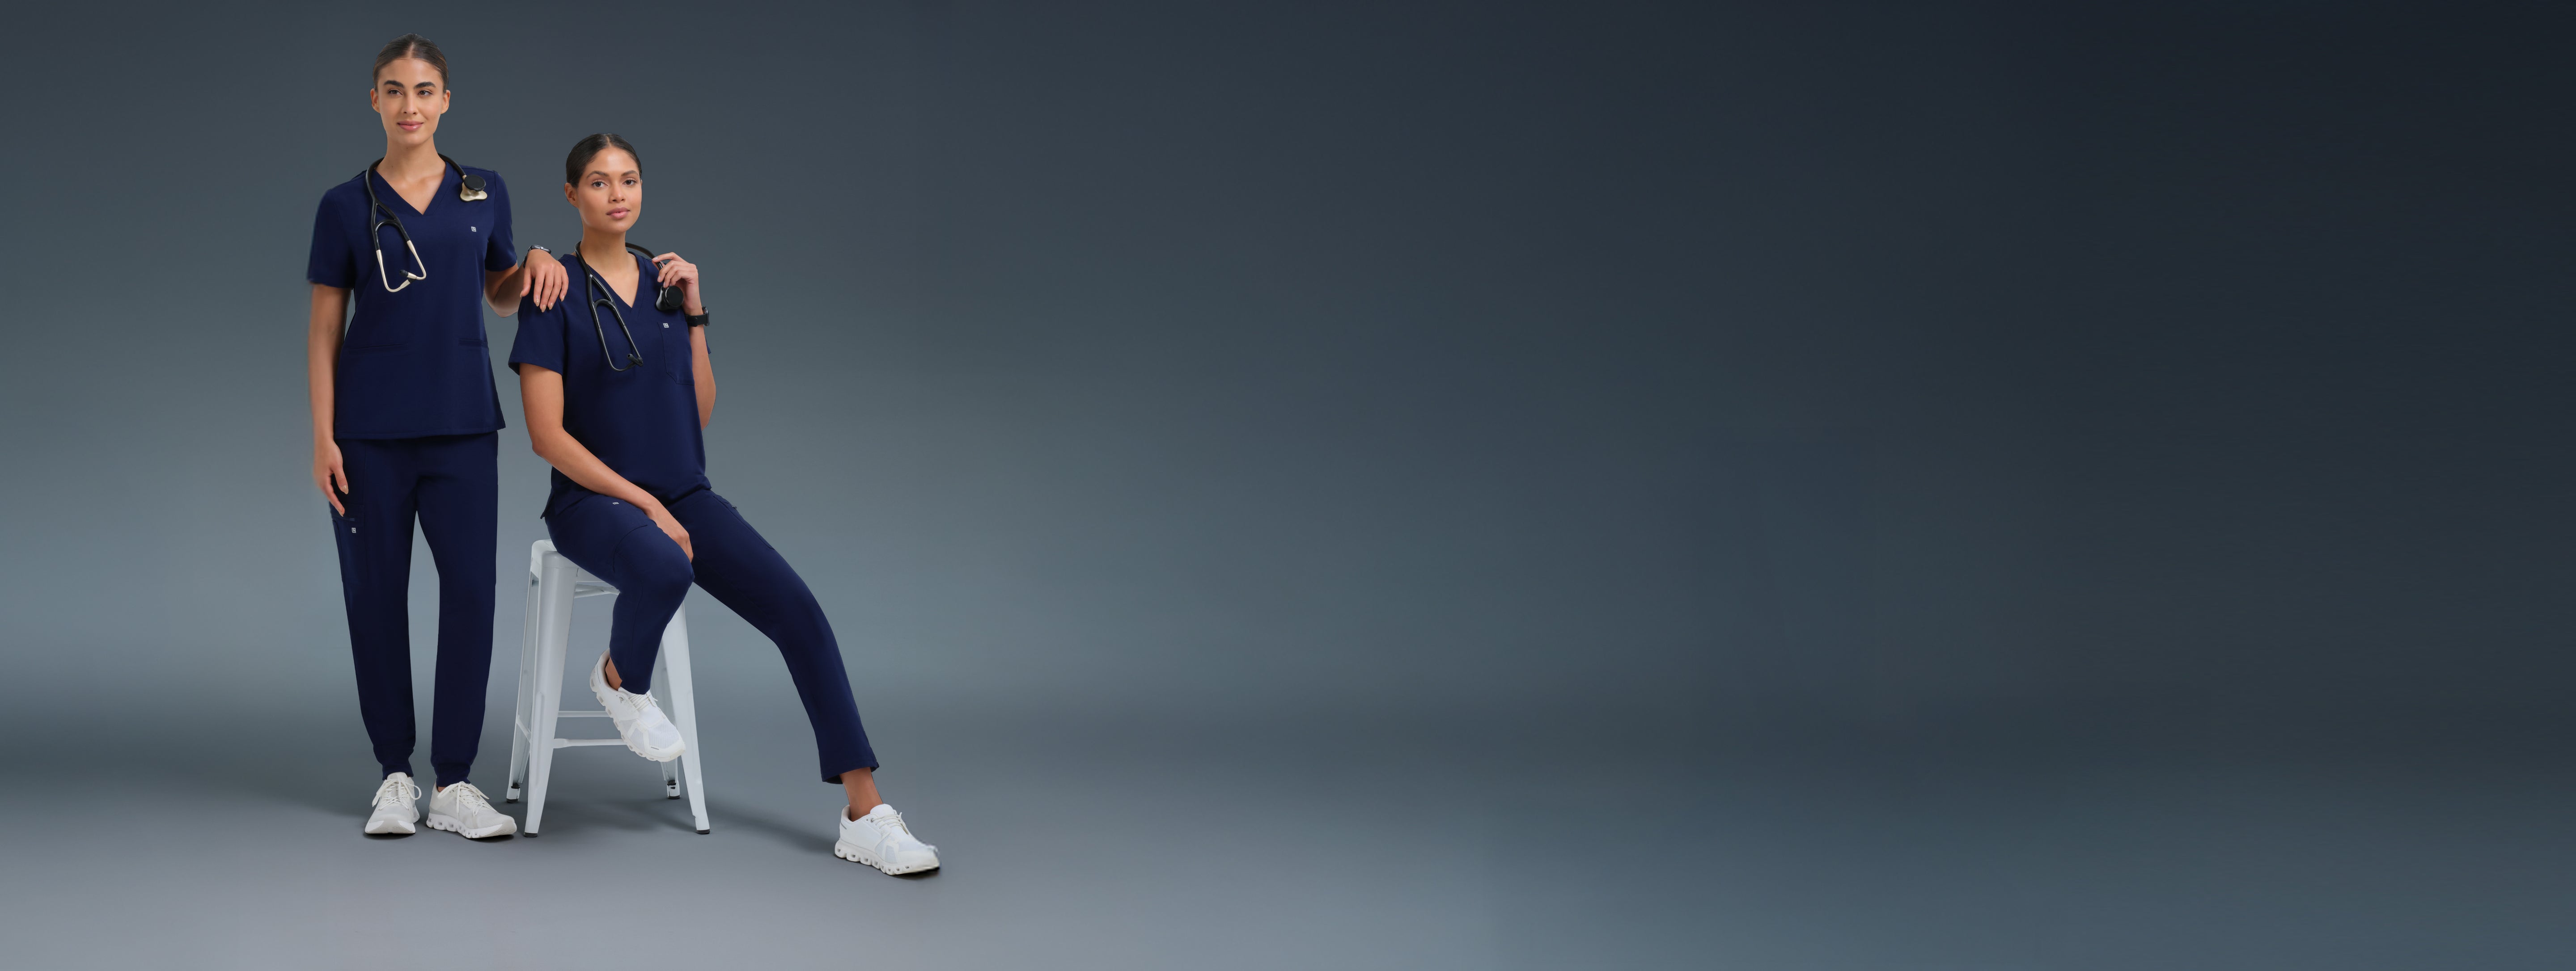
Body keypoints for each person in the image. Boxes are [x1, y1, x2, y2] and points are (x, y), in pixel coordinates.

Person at [507, 134, 940, 875]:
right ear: (573, 195)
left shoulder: (669, 286)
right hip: (591, 502)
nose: (618, 193)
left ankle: (866, 812)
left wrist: (698, 315)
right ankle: (620, 680)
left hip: (685, 492)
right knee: (666, 563)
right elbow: (546, 437)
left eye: (631, 180)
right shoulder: (554, 291)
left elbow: (697, 412)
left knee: (800, 615)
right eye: (600, 182)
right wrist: (647, 505)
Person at [307, 34, 567, 839]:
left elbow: (497, 296)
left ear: (446, 100)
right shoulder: (344, 205)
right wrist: (323, 437)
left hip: (461, 425)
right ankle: (395, 775)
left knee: (471, 597)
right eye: (395, 91)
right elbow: (323, 332)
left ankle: (454, 782)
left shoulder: (482, 193)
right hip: (369, 434)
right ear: (375, 102)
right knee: (374, 599)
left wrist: (530, 264)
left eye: (424, 91)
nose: (410, 106)